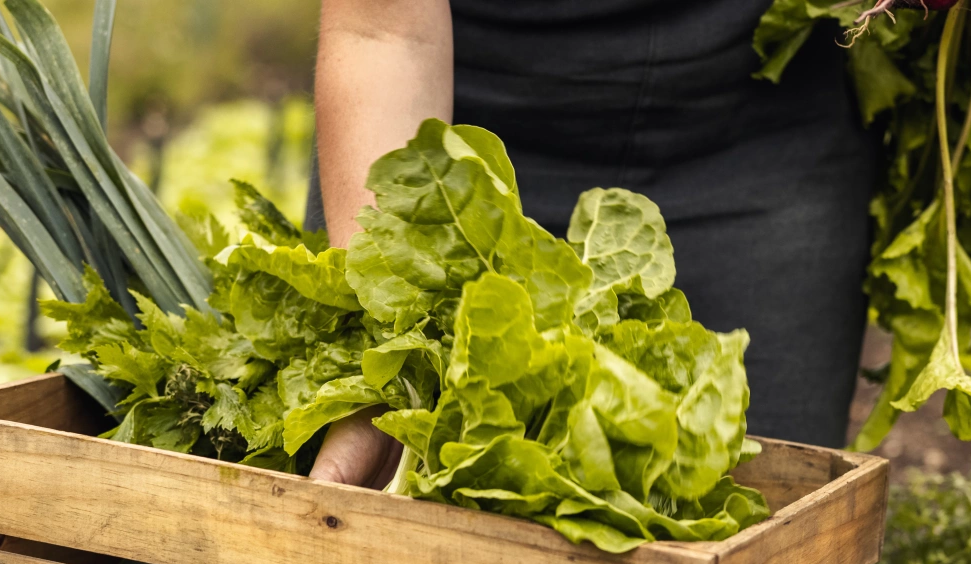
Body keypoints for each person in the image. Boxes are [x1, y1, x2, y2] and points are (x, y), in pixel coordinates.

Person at [305, 0, 877, 488]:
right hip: (456, 150)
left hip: (767, 126)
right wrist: (387, 367)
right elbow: (382, 33)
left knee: (766, 547)